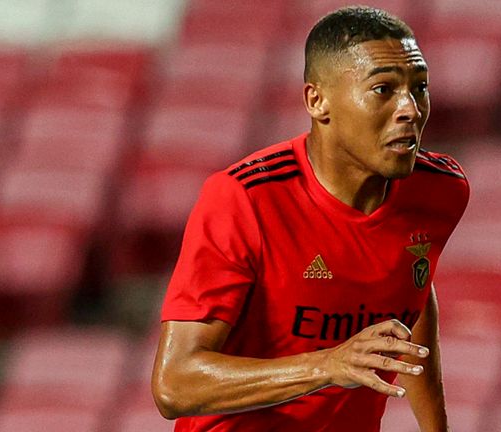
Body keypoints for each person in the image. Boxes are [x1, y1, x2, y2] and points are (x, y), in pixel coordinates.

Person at [152, 6, 470, 432]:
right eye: (383, 90)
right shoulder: (244, 200)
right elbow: (175, 385)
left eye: (420, 87)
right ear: (317, 101)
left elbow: (413, 287)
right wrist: (327, 365)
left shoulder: (441, 189)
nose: (410, 109)